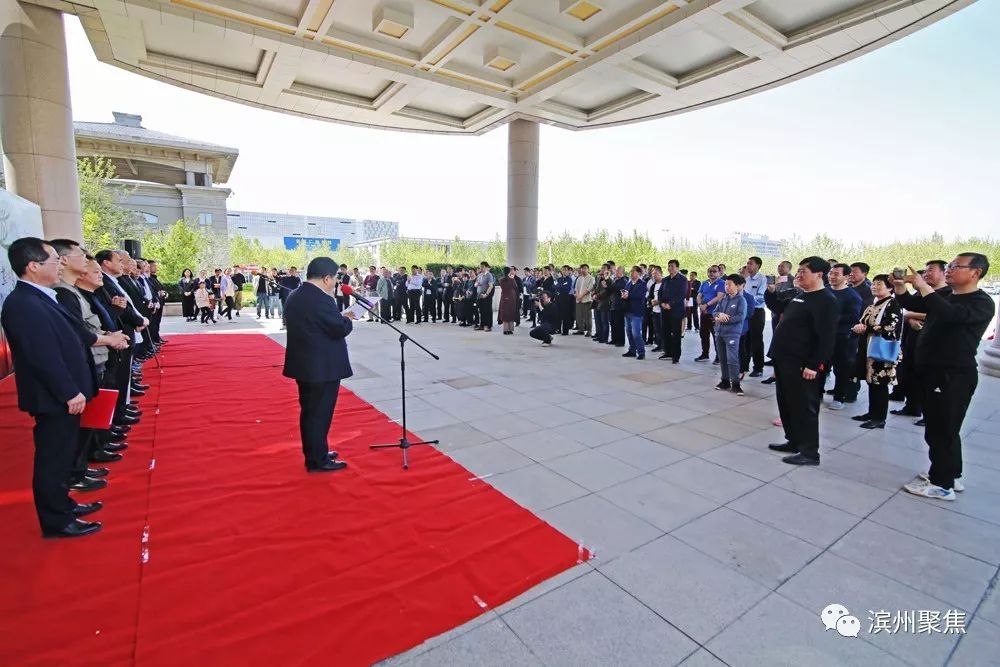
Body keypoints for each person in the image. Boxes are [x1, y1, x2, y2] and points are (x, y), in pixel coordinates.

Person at [1, 238, 102, 538]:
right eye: (54, 260)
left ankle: (63, 505)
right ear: (33, 266)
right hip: (53, 397)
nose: (59, 265)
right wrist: (68, 391)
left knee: (63, 454)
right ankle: (56, 520)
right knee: (53, 459)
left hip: (61, 393)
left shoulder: (42, 297)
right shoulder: (23, 304)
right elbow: (42, 355)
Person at [898, 254, 995, 500]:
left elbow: (950, 314)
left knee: (942, 430)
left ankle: (942, 485)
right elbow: (914, 304)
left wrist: (924, 286)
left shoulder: (981, 302)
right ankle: (951, 474)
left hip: (952, 374)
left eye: (955, 266)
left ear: (975, 272)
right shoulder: (946, 295)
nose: (949, 270)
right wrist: (900, 287)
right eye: (949, 266)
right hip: (933, 372)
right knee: (941, 428)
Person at [282, 257, 357, 473]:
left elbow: (315, 324)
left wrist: (338, 317)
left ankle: (316, 452)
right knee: (319, 414)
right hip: (321, 368)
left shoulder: (296, 294)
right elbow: (338, 328)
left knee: (310, 412)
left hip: (305, 364)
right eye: (334, 279)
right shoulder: (321, 299)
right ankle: (317, 460)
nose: (335, 283)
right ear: (326, 278)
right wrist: (347, 318)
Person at [766, 257, 837, 466]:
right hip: (784, 359)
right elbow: (777, 307)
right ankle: (793, 441)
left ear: (819, 274)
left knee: (804, 407)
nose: (798, 275)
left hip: (802, 362)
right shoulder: (800, 295)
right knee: (786, 403)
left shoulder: (826, 300)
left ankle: (809, 452)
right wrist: (771, 292)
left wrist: (814, 365)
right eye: (798, 271)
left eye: (803, 271)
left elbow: (826, 338)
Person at [892, 260, 950, 422]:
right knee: (910, 373)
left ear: (943, 272)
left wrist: (909, 315)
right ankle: (912, 407)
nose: (925, 274)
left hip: (935, 348)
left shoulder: (948, 294)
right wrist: (899, 286)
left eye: (930, 270)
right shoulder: (921, 293)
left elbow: (941, 312)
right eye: (925, 270)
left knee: (929, 380)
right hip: (913, 340)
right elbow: (909, 306)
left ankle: (928, 415)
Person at [850, 275, 901, 429]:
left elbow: (891, 326)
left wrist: (867, 328)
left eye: (879, 284)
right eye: (873, 284)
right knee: (872, 382)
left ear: (890, 288)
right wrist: (858, 327)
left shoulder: (893, 304)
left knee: (880, 383)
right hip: (868, 348)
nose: (874, 287)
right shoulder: (874, 304)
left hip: (881, 350)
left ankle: (879, 418)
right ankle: (872, 413)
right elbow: (863, 321)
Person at [826, 264, 863, 410]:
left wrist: (832, 318)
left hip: (842, 337)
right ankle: (817, 393)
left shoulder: (852, 295)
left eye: (836, 274)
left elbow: (853, 317)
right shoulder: (825, 291)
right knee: (821, 365)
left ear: (846, 277)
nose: (832, 276)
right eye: (831, 273)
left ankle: (839, 397)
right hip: (824, 335)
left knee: (841, 368)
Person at [713, 274, 748, 395]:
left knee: (732, 359)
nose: (726, 287)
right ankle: (725, 381)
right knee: (722, 358)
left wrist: (726, 319)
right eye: (725, 284)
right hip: (719, 333)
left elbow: (741, 317)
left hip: (732, 334)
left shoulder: (741, 300)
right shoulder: (723, 298)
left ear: (737, 286)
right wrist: (719, 315)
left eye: (729, 284)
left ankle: (736, 384)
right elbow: (715, 312)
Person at [658, 259, 687, 363]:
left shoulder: (682, 279)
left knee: (676, 334)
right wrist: (662, 303)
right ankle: (668, 352)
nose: (670, 268)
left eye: (672, 266)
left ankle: (676, 356)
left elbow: (682, 294)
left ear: (677, 268)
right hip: (664, 309)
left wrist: (670, 304)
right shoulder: (665, 279)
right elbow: (660, 293)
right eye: (669, 266)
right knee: (665, 332)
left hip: (676, 311)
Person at [744, 257, 768, 377]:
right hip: (746, 312)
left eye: (750, 264)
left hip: (757, 312)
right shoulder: (746, 279)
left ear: (758, 265)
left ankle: (758, 368)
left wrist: (747, 299)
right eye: (747, 263)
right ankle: (744, 366)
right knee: (745, 339)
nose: (748, 266)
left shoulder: (762, 279)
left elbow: (761, 297)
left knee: (756, 340)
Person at [696, 265, 725, 362]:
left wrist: (706, 305)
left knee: (716, 334)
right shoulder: (704, 283)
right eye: (710, 271)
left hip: (715, 313)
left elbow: (719, 297)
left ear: (719, 272)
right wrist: (700, 305)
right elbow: (699, 295)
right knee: (703, 333)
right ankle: (705, 354)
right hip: (704, 312)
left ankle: (719, 357)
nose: (711, 273)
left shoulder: (722, 283)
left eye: (714, 271)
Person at [621, 266, 647, 360]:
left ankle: (641, 352)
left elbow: (640, 296)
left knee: (636, 333)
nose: (631, 273)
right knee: (629, 332)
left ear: (639, 273)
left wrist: (628, 295)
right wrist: (623, 295)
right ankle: (632, 350)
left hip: (637, 312)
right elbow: (626, 294)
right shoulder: (628, 284)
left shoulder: (642, 284)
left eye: (633, 271)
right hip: (628, 311)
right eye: (631, 271)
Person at [573, 264, 594, 336]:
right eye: (582, 268)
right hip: (578, 300)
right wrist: (578, 296)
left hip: (587, 300)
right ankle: (581, 329)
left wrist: (581, 296)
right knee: (579, 316)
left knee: (587, 316)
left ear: (588, 269)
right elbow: (576, 288)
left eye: (585, 268)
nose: (583, 270)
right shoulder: (579, 278)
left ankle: (589, 330)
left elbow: (589, 289)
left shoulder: (591, 278)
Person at [498, 266, 519, 335]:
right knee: (511, 312)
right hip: (512, 297)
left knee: (505, 313)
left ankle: (505, 330)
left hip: (504, 297)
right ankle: (510, 330)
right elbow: (515, 287)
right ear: (509, 271)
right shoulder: (512, 279)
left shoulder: (501, 280)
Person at [475, 262, 496, 332]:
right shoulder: (479, 275)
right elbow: (476, 283)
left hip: (486, 296)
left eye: (482, 267)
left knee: (487, 311)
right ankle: (482, 325)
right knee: (481, 311)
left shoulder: (489, 275)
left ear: (486, 267)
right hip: (479, 296)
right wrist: (476, 284)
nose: (481, 268)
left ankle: (488, 326)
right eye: (480, 266)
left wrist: (486, 294)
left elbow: (491, 286)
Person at [555, 265, 574, 335]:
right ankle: (558, 329)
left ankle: (565, 331)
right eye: (563, 270)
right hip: (558, 298)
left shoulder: (569, 279)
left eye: (566, 270)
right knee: (558, 314)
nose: (564, 271)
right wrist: (560, 287)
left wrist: (559, 286)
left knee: (566, 315)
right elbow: (555, 287)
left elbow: (567, 288)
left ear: (568, 271)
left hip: (566, 299)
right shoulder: (559, 279)